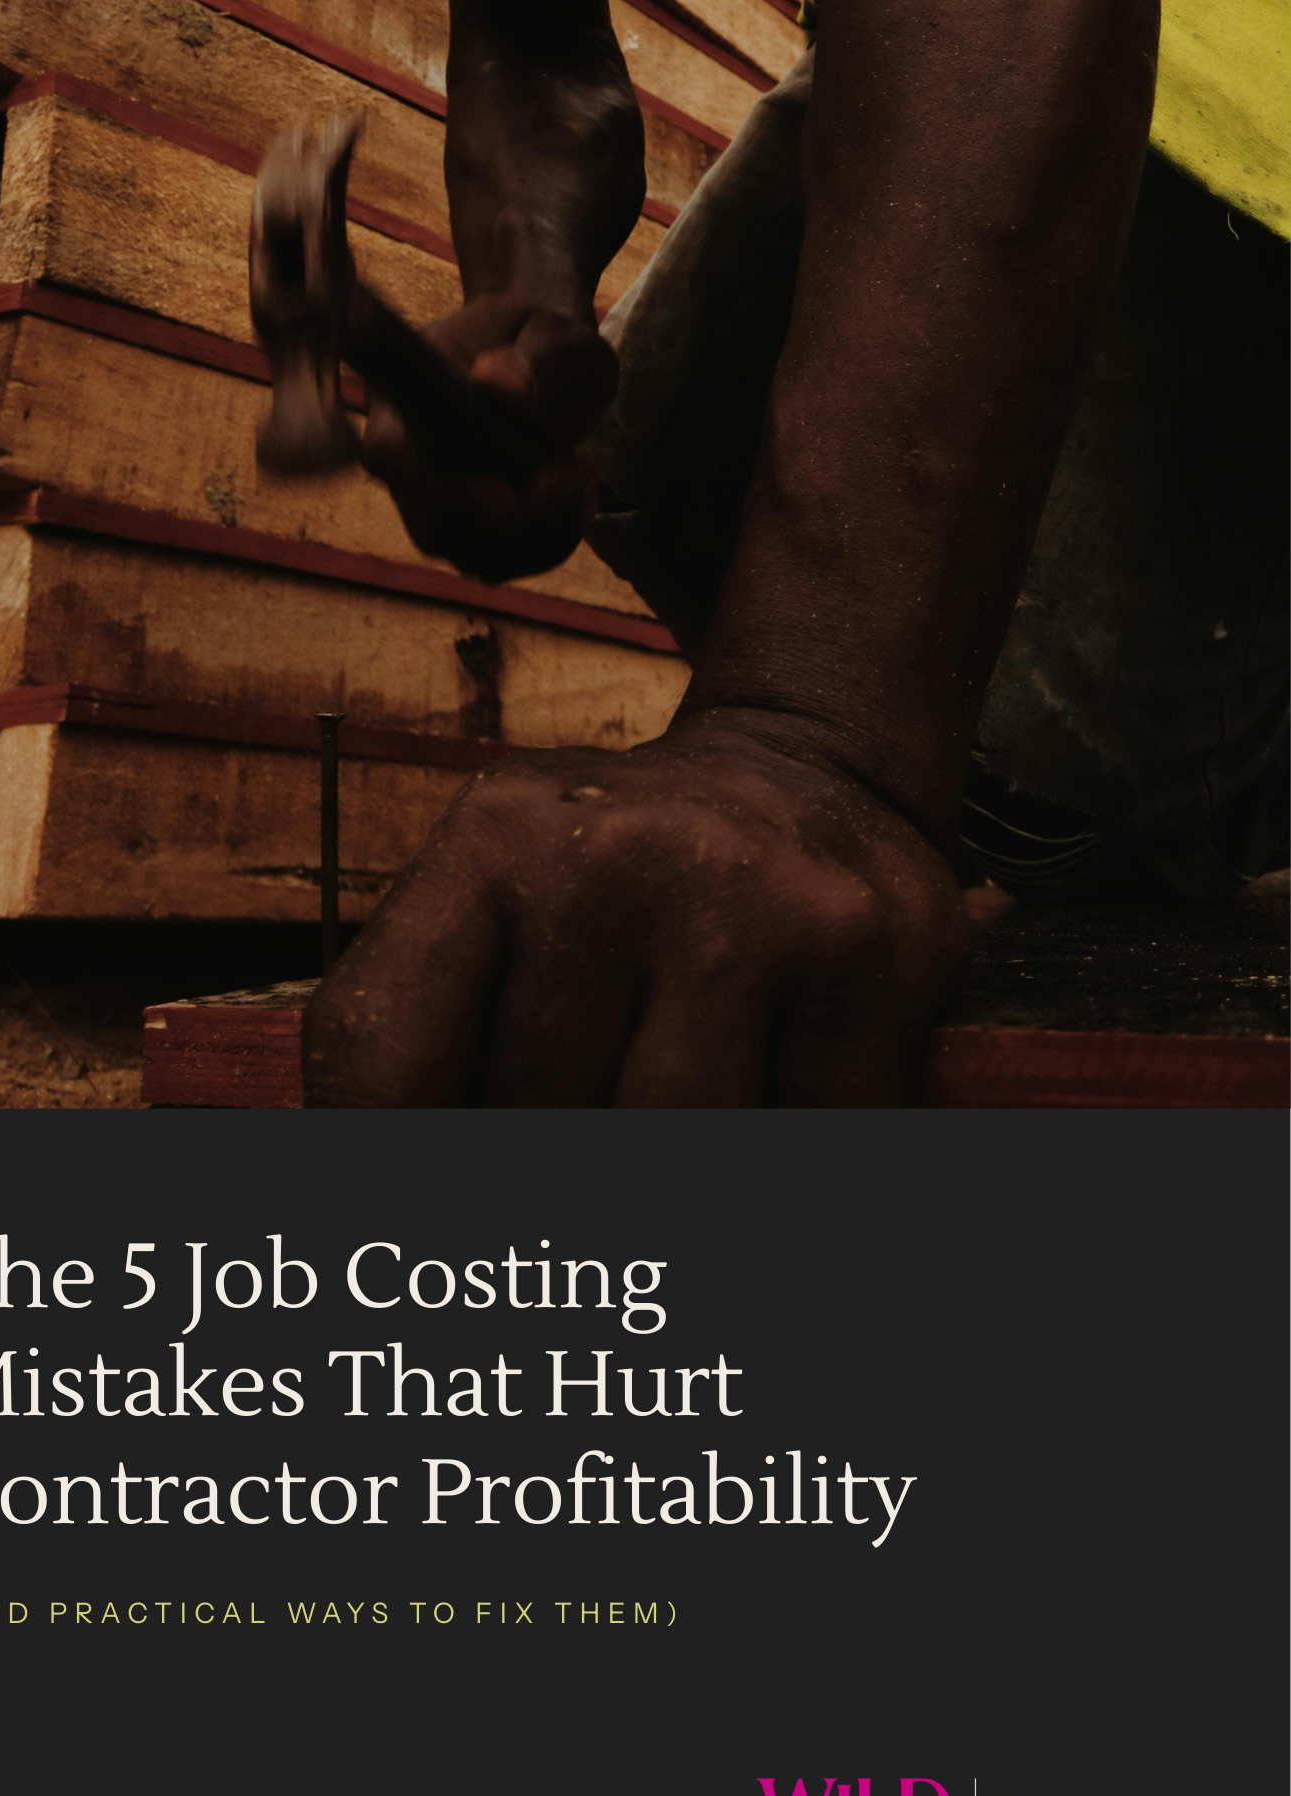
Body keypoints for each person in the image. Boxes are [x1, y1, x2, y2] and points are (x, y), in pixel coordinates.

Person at [303, 0, 1288, 1107]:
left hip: (1235, 160)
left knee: (1057, 781)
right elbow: (537, 44)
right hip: (925, 67)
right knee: (660, 457)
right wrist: (528, 291)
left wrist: (818, 738)